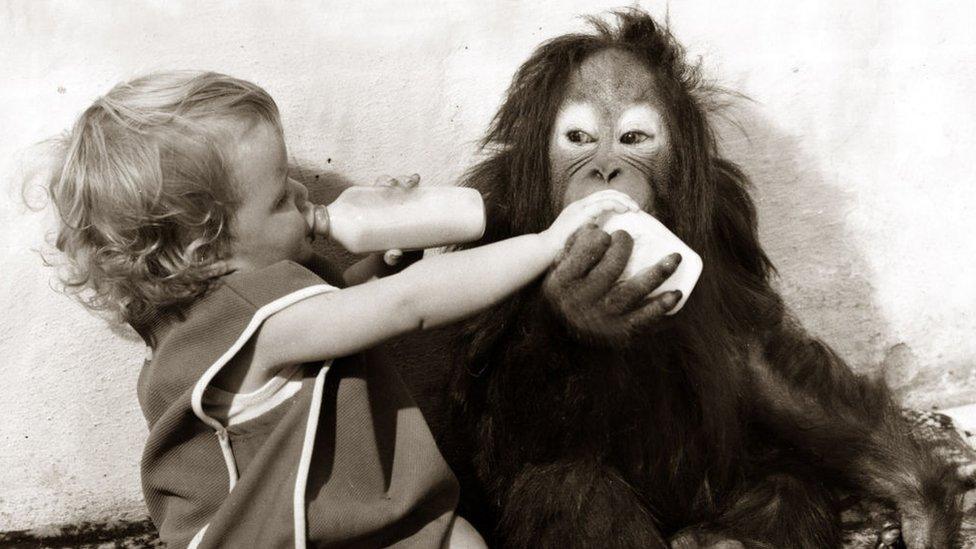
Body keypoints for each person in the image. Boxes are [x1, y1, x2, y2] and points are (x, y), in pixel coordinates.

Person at [45, 70, 639, 548]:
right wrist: (545, 243)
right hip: (281, 535)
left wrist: (381, 267)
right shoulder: (256, 315)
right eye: (281, 196)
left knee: (456, 538)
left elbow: (341, 313)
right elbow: (408, 307)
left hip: (343, 517)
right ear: (208, 250)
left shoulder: (219, 309)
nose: (307, 196)